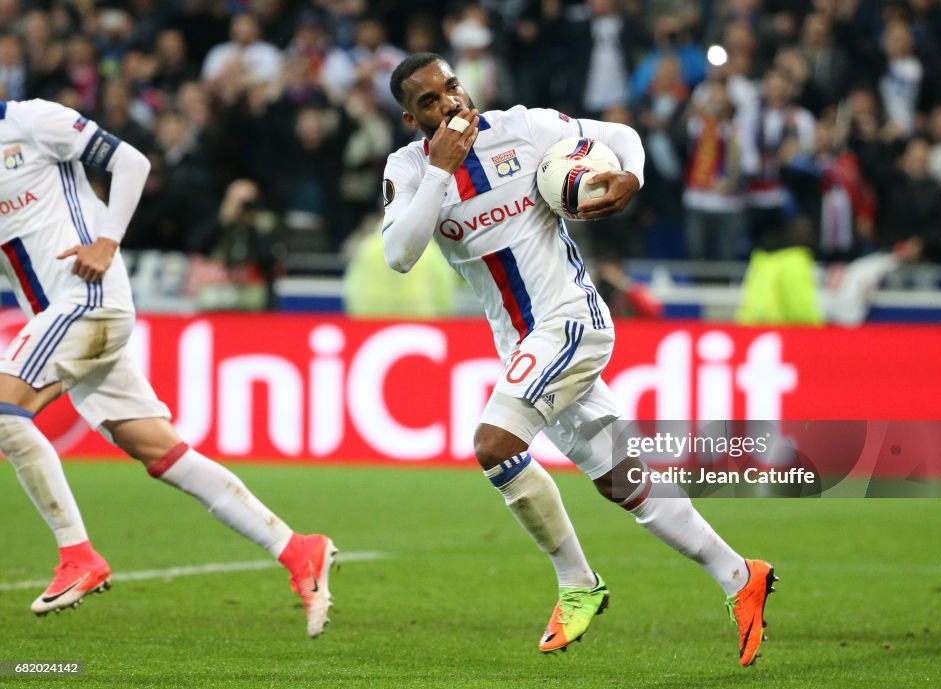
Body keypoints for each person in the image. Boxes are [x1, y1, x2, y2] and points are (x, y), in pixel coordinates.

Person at [382, 53, 776, 665]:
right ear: (413, 117)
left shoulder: (522, 128)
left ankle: (576, 582)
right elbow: (400, 254)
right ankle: (740, 576)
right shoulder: (408, 169)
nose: (450, 103)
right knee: (625, 481)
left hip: (570, 322)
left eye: (452, 87)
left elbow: (618, 136)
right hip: (520, 343)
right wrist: (439, 171)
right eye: (431, 101)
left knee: (494, 444)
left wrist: (631, 177)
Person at [0, 98, 336, 638]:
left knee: (5, 413)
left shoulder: (29, 120)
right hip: (64, 318)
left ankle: (77, 555)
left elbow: (132, 161)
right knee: (161, 451)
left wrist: (107, 241)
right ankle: (299, 550)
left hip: (86, 299)